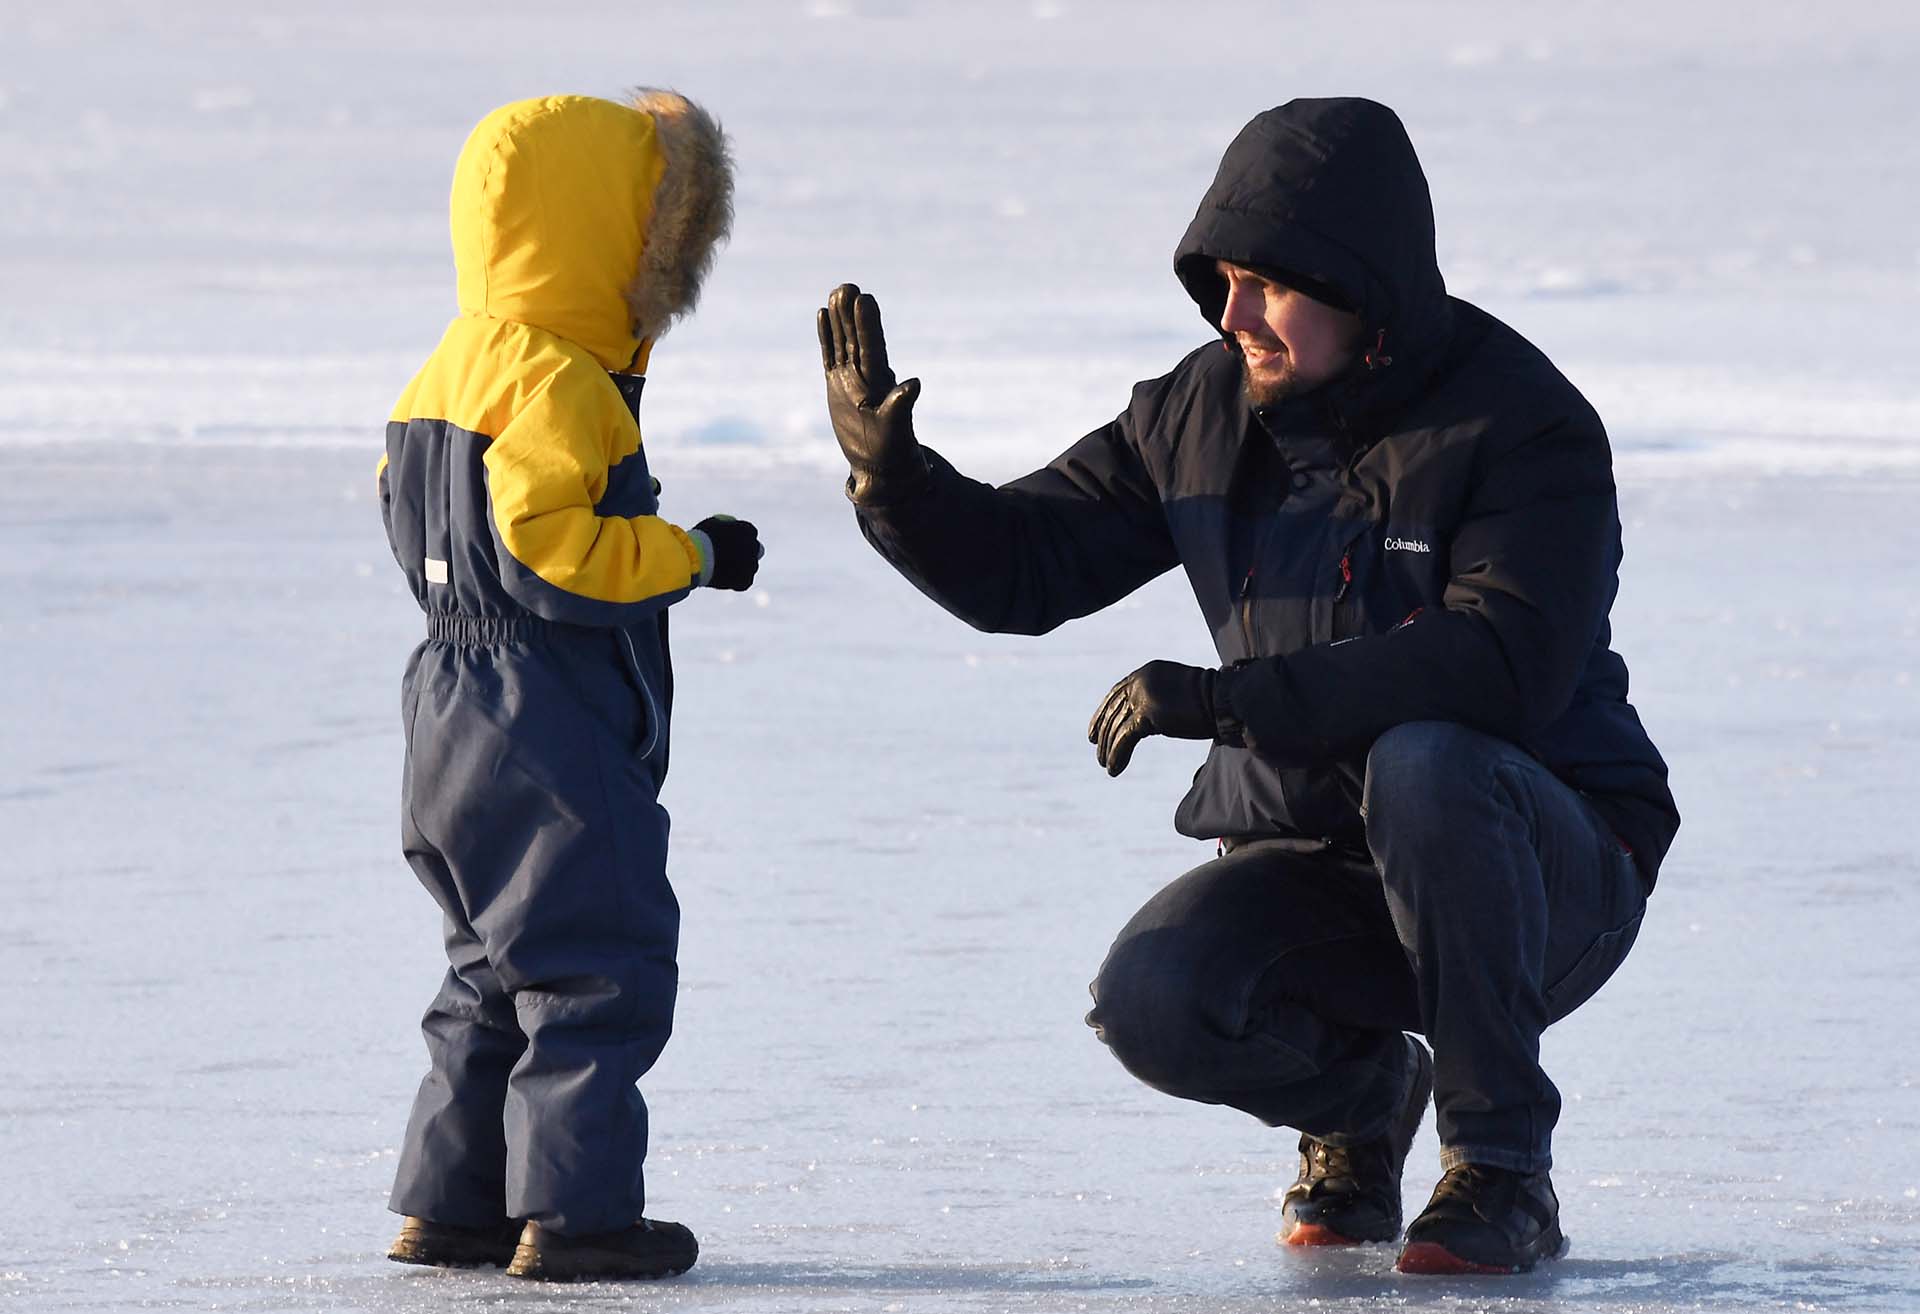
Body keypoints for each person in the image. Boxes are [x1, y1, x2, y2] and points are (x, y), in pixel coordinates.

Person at [818, 96, 1677, 1276]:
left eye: (1265, 285)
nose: (1234, 317)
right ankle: (1365, 1102)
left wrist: (1231, 704)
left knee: (1427, 757)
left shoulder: (1521, 426)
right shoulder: (1202, 410)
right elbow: (1030, 565)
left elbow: (1502, 667)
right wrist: (897, 484)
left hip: (1548, 873)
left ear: (1358, 283)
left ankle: (1501, 1170)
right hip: (1330, 866)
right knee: (1157, 998)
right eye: (1220, 282)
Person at [378, 89, 759, 1282]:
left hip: (442, 704)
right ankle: (578, 1215)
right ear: (608, 238)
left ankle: (456, 1205)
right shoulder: (561, 381)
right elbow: (556, 554)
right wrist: (690, 556)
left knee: (489, 966)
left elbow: (404, 507)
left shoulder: (448, 362)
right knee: (598, 957)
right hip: (544, 710)